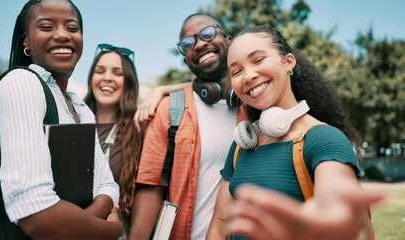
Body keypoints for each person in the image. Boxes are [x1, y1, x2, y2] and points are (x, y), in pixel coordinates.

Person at [206, 25, 384, 240]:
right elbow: (218, 227)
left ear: (288, 61)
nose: (248, 76)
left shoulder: (324, 139)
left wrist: (331, 221)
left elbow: (335, 206)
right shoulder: (242, 145)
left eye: (258, 60)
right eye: (236, 71)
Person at [0, 0, 122, 239]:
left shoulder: (80, 107)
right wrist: (112, 229)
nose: (62, 35)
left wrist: (77, 226)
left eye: (72, 28)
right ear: (26, 41)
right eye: (46, 26)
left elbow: (108, 186)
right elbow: (37, 215)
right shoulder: (22, 83)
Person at [130, 13, 246, 240]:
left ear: (229, 40)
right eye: (188, 43)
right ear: (186, 59)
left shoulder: (256, 106)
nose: (201, 43)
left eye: (208, 33)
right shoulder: (168, 109)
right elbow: (151, 185)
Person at [84, 43, 191, 238]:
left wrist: (161, 90)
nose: (107, 77)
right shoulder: (72, 120)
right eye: (100, 71)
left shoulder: (138, 127)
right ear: (92, 78)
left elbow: (195, 87)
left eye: (118, 73)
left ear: (129, 82)